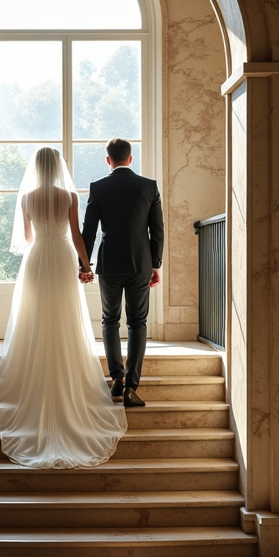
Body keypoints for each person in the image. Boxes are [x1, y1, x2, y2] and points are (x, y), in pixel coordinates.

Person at [0, 147, 127, 468]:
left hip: (38, 258)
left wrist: (42, 235)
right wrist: (86, 264)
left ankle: (33, 373)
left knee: (35, 317)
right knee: (65, 319)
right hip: (62, 257)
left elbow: (26, 237)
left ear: (36, 168)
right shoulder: (69, 195)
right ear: (59, 168)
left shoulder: (27, 198)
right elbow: (77, 235)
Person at [81, 138, 164, 407]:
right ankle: (132, 386)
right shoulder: (148, 186)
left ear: (109, 160)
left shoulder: (98, 187)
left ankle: (116, 377)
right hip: (140, 263)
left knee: (109, 320)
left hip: (110, 265)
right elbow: (157, 231)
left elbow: (89, 231)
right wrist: (155, 264)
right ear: (131, 158)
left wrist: (84, 265)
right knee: (138, 323)